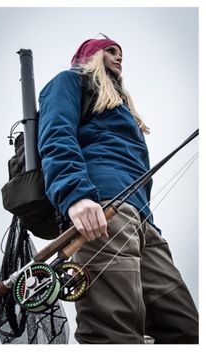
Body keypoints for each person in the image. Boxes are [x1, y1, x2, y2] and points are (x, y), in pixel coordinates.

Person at [38, 37, 198, 344]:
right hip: (100, 211)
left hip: (144, 226)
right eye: (110, 50)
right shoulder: (70, 80)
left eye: (121, 53)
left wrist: (148, 224)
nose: (118, 57)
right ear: (88, 57)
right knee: (113, 331)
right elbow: (55, 136)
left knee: (186, 329)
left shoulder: (122, 109)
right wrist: (76, 195)